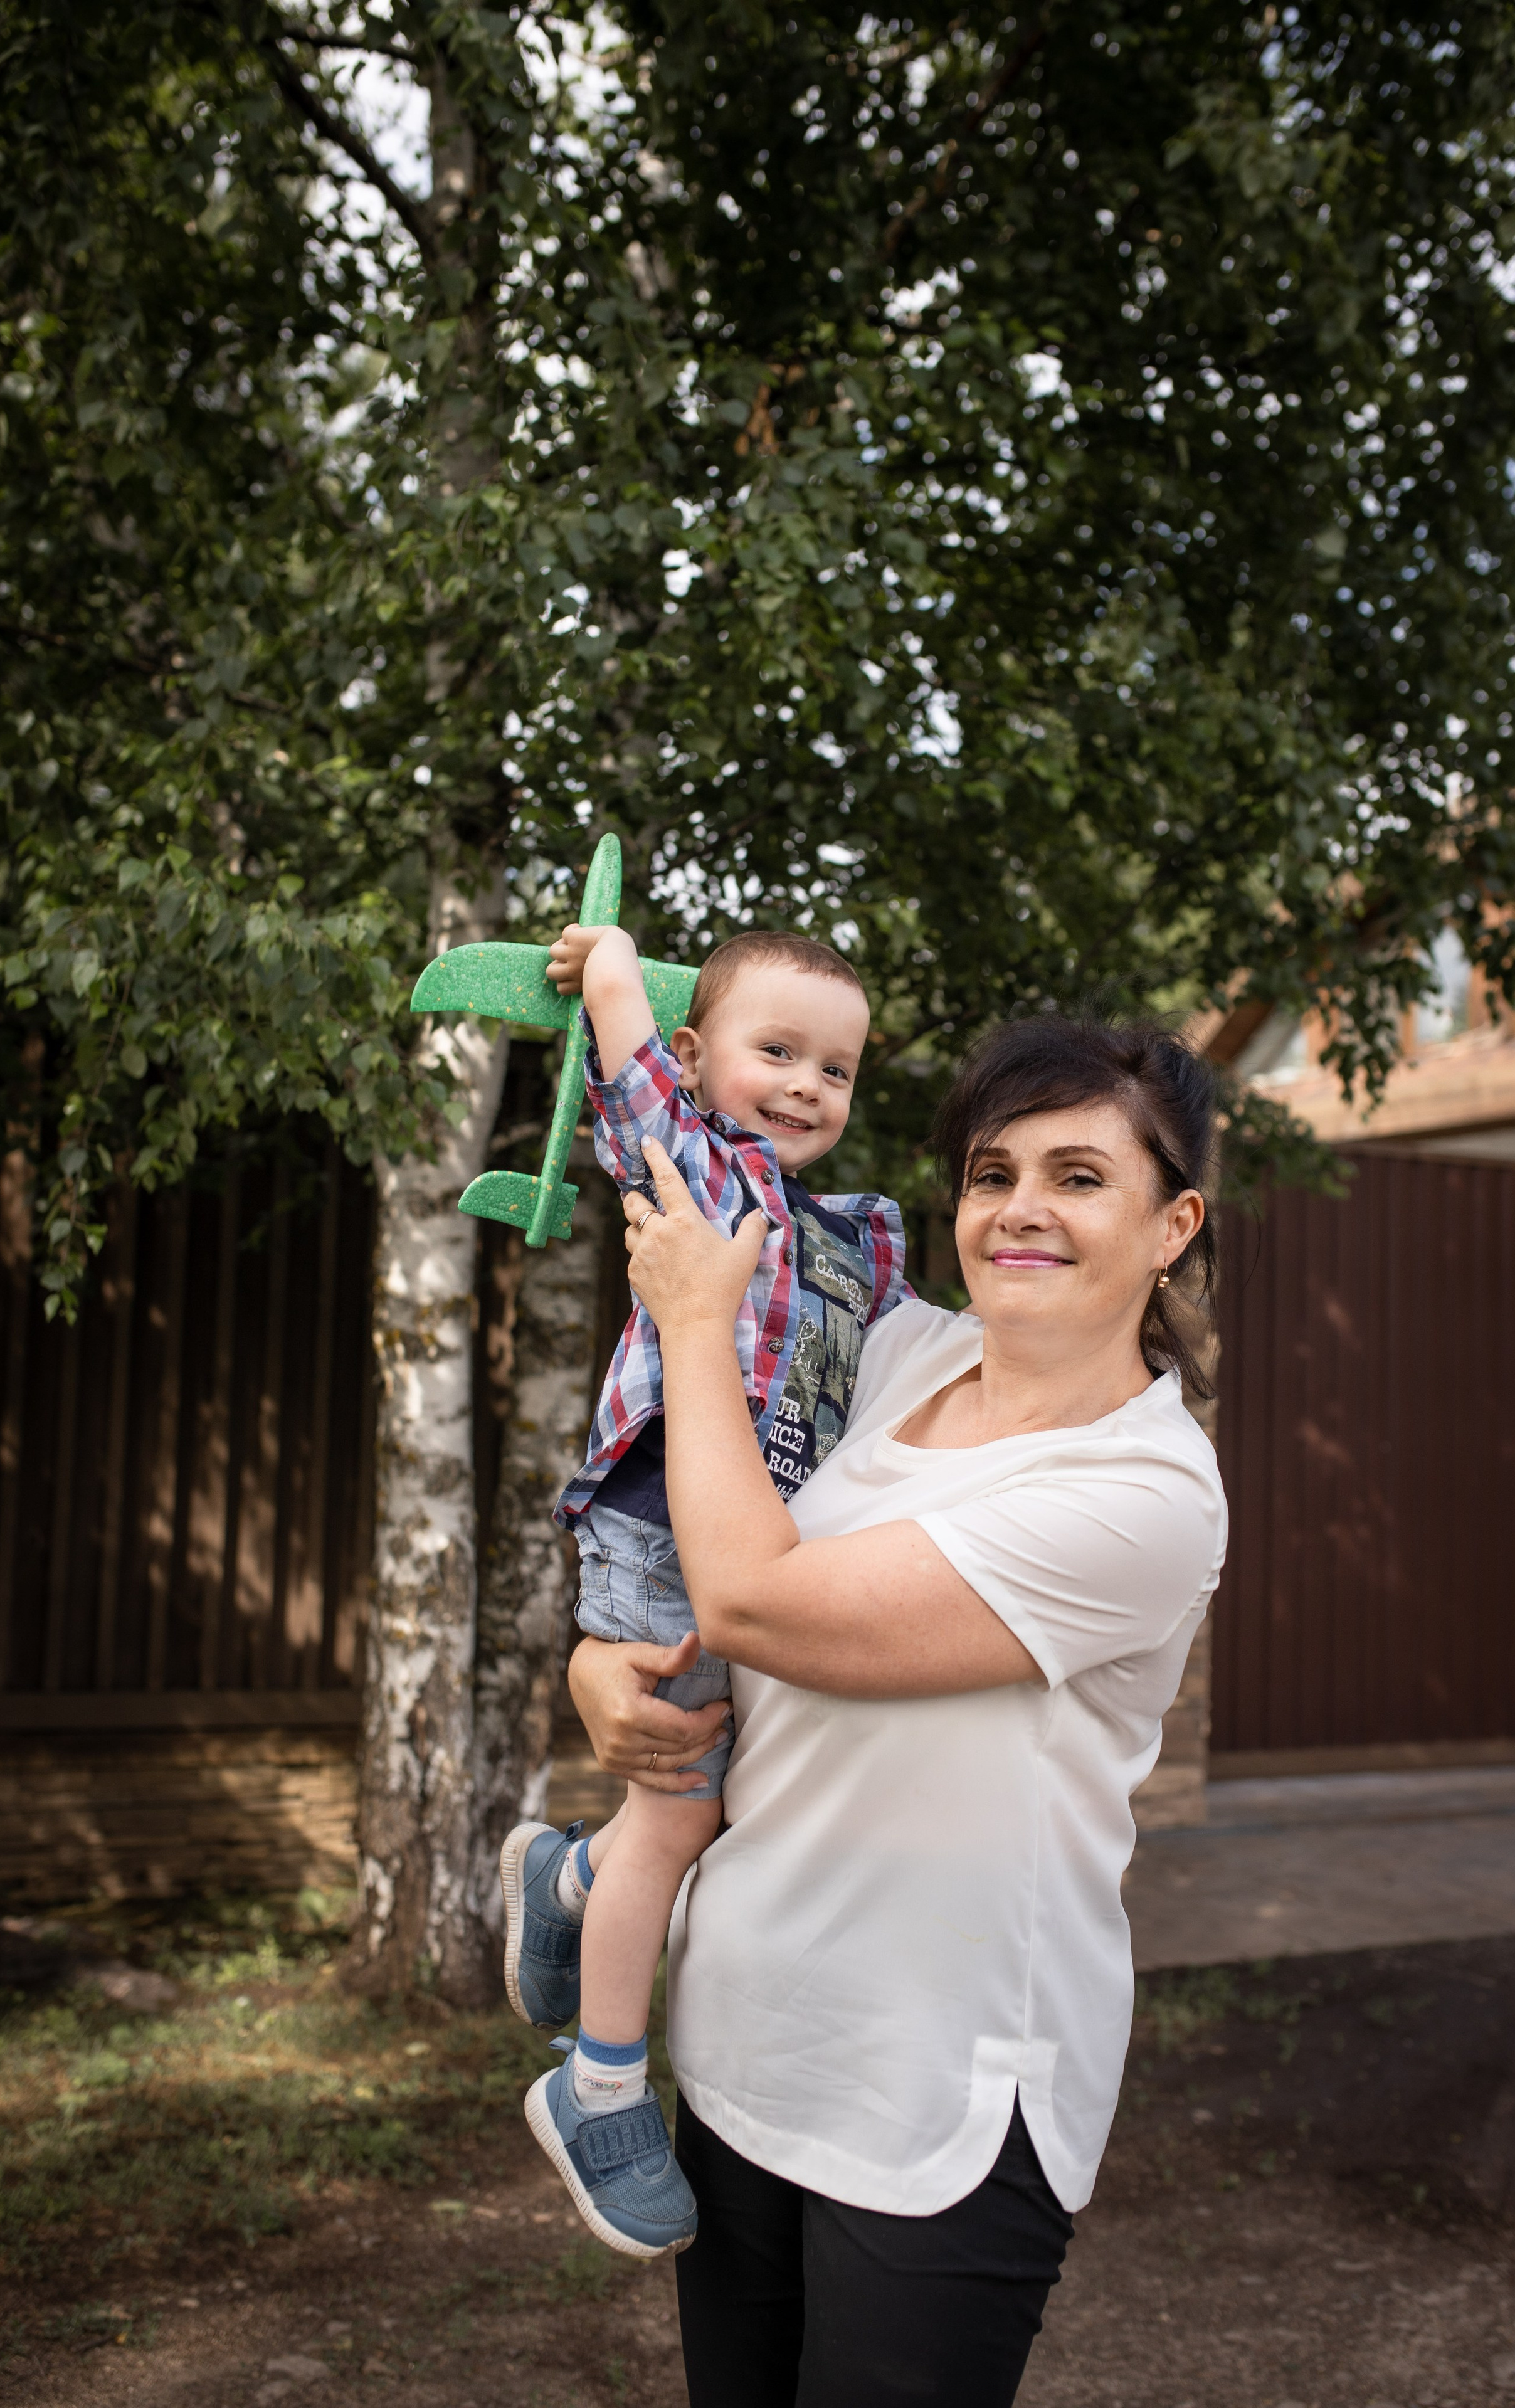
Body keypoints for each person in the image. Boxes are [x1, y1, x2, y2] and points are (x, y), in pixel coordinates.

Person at [564, 1013, 1230, 2408]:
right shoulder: (897, 1353)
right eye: (990, 1175)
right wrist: (598, 1663)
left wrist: (692, 1319)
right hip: (745, 2039)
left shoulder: (1144, 1494)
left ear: (1172, 1223)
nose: (1018, 1212)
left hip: (939, 2093)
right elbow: (696, 1536)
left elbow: (758, 1602)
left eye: (1075, 1177)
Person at [500, 920, 910, 2258]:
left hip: (753, 1549)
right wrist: (613, 966)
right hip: (657, 1528)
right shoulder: (699, 1173)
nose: (804, 1086)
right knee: (678, 1817)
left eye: (834, 1069)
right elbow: (630, 1088)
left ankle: (569, 1883)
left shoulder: (850, 1233)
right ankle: (598, 2082)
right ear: (696, 1057)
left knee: (701, 1802)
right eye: (775, 1051)